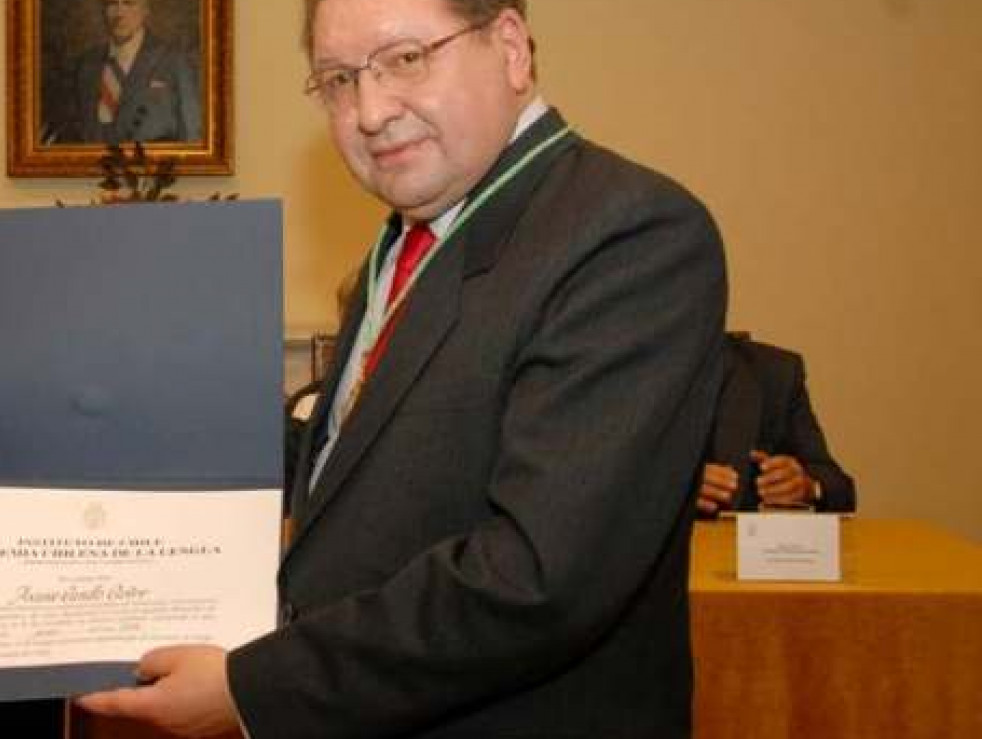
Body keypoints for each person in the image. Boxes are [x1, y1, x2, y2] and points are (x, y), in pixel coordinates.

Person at [80, 0, 727, 737]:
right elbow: (346, 467)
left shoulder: (626, 234)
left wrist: (255, 688)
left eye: (406, 60)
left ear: (511, 47)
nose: (370, 110)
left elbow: (534, 578)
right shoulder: (414, 238)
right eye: (338, 79)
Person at [698, 332, 856, 515]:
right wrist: (673, 490)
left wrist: (808, 488)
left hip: (739, 541)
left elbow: (840, 490)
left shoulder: (774, 372)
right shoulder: (657, 366)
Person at [50, 0, 203, 144]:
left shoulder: (173, 62)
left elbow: (192, 136)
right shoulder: (86, 65)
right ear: (103, 10)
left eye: (129, 3)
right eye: (112, 3)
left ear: (145, 9)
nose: (119, 13)